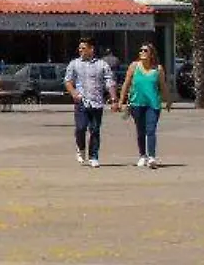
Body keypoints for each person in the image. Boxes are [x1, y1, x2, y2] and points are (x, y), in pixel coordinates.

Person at [115, 43, 175, 168]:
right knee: (140, 131)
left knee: (151, 130)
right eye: (141, 50)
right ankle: (142, 155)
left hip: (153, 105)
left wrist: (168, 100)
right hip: (136, 103)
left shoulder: (158, 69)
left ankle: (152, 157)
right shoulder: (134, 66)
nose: (142, 52)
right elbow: (126, 84)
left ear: (151, 54)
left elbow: (163, 86)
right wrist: (121, 100)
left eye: (145, 50)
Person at [63, 39, 115, 167]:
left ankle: (93, 156)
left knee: (95, 129)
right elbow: (68, 81)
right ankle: (81, 148)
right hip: (82, 101)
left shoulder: (102, 64)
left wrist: (114, 99)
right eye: (79, 48)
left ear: (91, 49)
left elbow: (109, 82)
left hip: (97, 102)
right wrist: (74, 93)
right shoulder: (74, 64)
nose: (80, 50)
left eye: (83, 48)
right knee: (81, 128)